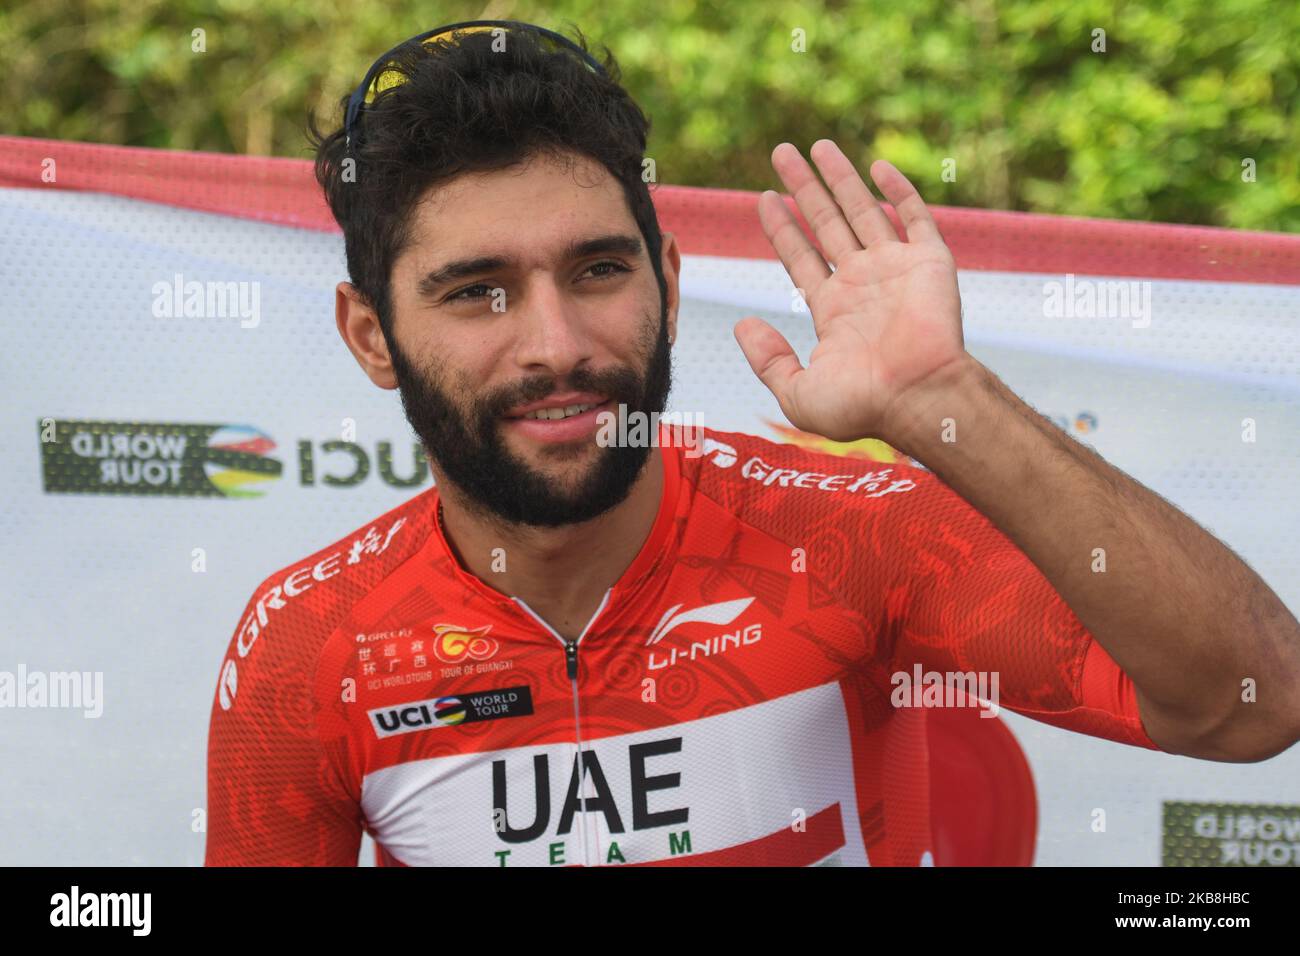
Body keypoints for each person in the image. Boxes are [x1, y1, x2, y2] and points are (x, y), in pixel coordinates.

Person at [204, 20, 1300, 867]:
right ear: (371, 336)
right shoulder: (308, 647)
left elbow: (1251, 704)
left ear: (668, 285)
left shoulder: (845, 531)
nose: (557, 343)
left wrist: (941, 397)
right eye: (477, 293)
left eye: (598, 271)